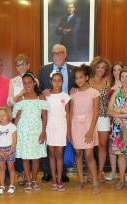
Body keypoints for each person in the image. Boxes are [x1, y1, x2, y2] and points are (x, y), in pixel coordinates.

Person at [38, 44, 76, 183]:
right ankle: (50, 174)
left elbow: (77, 86)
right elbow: (39, 88)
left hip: (63, 116)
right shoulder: (43, 70)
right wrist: (43, 92)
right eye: (55, 53)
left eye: (60, 53)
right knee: (51, 152)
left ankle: (62, 176)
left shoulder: (73, 70)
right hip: (50, 116)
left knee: (60, 152)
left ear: (65, 54)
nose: (58, 55)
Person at [13, 72, 49, 193]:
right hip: (23, 132)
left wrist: (43, 132)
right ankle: (28, 181)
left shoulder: (41, 98)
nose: (27, 85)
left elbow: (45, 117)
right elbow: (17, 117)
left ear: (34, 83)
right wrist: (14, 133)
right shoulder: (20, 99)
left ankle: (34, 180)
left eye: (29, 82)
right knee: (25, 158)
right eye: (24, 83)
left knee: (35, 158)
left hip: (37, 131)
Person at [70, 65, 101, 195]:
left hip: (89, 125)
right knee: (78, 154)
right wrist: (68, 130)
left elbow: (96, 113)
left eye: (81, 77)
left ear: (87, 77)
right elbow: (71, 112)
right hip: (76, 125)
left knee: (89, 155)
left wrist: (90, 130)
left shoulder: (94, 93)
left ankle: (95, 182)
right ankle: (81, 180)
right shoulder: (73, 93)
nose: (78, 80)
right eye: (76, 78)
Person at [7, 54, 34, 186]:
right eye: (19, 65)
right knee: (18, 145)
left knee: (29, 145)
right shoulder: (13, 81)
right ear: (16, 68)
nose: (22, 67)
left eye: (24, 64)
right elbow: (9, 101)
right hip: (17, 117)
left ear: (28, 65)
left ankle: (30, 174)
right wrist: (20, 94)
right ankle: (20, 173)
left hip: (31, 119)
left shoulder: (35, 81)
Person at [46, 70, 71, 192]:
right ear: (51, 81)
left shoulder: (66, 97)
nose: (57, 83)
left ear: (63, 82)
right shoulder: (46, 96)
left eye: (59, 81)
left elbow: (68, 115)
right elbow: (44, 114)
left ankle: (60, 179)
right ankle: (54, 180)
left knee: (59, 154)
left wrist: (69, 132)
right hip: (50, 126)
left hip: (62, 126)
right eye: (54, 80)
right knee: (51, 154)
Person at [88, 56, 111, 184]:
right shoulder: (88, 81)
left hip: (103, 117)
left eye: (103, 67)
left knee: (102, 146)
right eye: (98, 67)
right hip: (90, 117)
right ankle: (91, 171)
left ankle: (100, 172)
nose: (100, 70)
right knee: (90, 146)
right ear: (94, 68)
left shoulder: (107, 83)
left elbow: (106, 101)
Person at [105, 61, 124, 181]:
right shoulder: (109, 86)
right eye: (115, 70)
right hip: (112, 119)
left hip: (125, 120)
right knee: (112, 144)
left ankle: (122, 173)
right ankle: (113, 171)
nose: (117, 72)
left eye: (119, 70)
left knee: (124, 145)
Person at [0, 106, 17, 195]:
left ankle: (12, 185)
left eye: (4, 115)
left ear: (8, 115)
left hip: (10, 149)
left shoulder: (12, 126)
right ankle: (2, 185)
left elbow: (14, 140)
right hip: (0, 149)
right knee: (2, 168)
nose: (1, 117)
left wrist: (10, 151)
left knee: (11, 168)